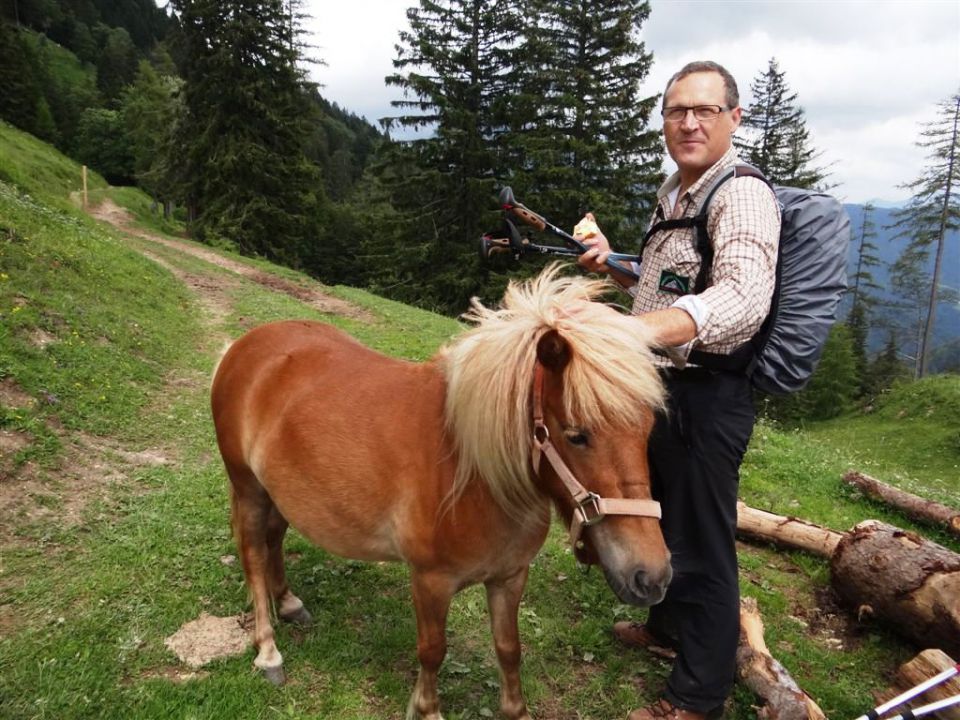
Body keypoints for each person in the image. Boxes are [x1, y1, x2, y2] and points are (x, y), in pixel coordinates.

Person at [575, 60, 781, 720]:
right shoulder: (677, 192)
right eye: (675, 111)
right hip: (662, 393)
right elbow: (659, 291)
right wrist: (611, 266)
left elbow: (744, 297)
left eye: (704, 111)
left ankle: (697, 698)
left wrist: (636, 334)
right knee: (663, 519)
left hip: (708, 397)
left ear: (733, 119)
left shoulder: (741, 195)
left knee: (708, 550)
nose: (688, 122)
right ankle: (666, 633)